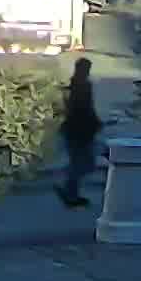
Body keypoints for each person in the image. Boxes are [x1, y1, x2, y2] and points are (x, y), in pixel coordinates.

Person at [58, 56, 104, 208]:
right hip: (80, 129)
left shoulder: (73, 85)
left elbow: (73, 107)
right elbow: (84, 108)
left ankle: (70, 192)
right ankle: (69, 192)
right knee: (84, 163)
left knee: (79, 162)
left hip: (76, 128)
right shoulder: (82, 86)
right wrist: (94, 122)